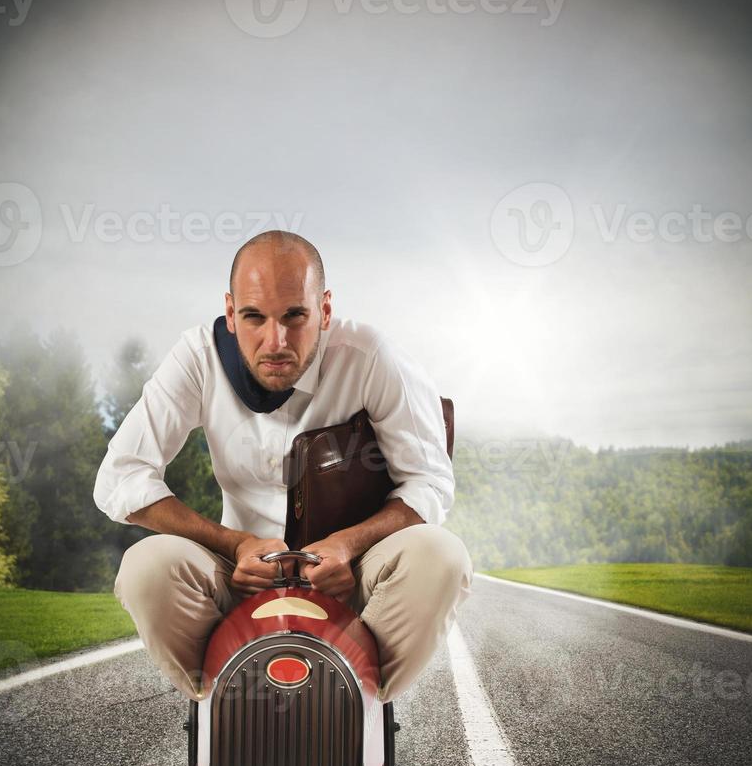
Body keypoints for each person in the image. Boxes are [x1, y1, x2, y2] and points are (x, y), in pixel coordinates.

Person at [93, 230, 472, 702]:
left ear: (326, 309)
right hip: (239, 575)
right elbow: (120, 477)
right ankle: (222, 706)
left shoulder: (370, 356)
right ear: (230, 313)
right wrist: (235, 544)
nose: (276, 341)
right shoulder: (197, 357)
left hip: (350, 578)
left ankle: (358, 704)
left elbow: (429, 482)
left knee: (444, 556)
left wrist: (346, 546)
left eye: (296, 316)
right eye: (254, 317)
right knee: (143, 567)